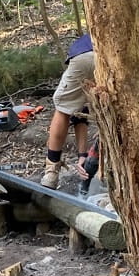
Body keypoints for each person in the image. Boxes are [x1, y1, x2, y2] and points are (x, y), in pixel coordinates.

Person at [41, 33, 95, 189]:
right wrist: (82, 156)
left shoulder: (85, 42)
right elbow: (80, 114)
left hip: (84, 56)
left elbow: (72, 111)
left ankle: (51, 171)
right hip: (114, 57)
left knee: (62, 109)